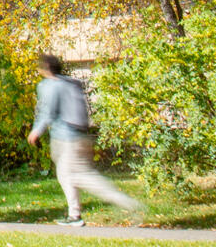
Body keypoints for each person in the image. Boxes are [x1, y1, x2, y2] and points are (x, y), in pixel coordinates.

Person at [27, 54, 143, 226]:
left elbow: (48, 112)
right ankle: (74, 215)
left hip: (66, 138)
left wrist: (36, 131)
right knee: (66, 175)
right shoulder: (72, 84)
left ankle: (128, 204)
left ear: (46, 68)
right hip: (80, 136)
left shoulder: (51, 86)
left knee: (80, 177)